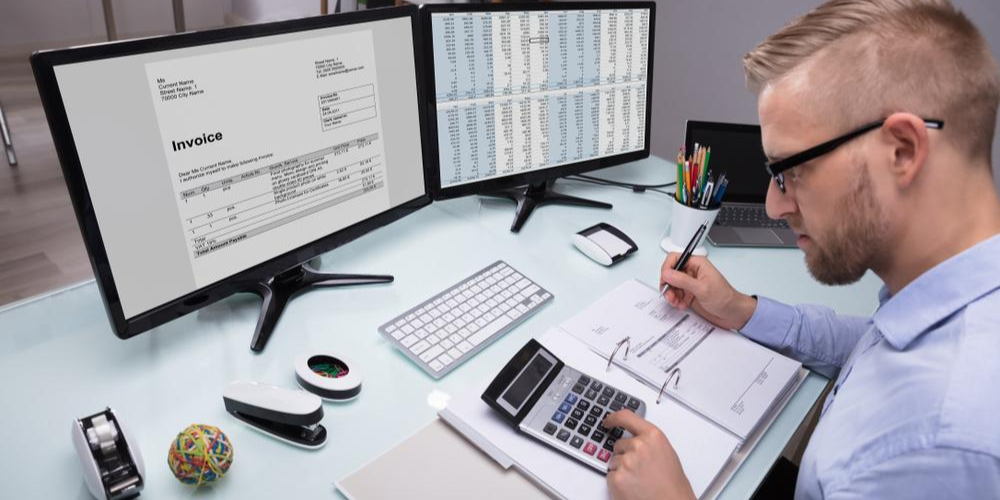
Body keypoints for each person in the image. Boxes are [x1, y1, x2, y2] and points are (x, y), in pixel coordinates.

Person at [602, 0, 1000, 498]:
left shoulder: (931, 451)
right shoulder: (949, 290)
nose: (773, 205)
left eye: (791, 171)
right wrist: (743, 311)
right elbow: (870, 339)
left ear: (902, 151)